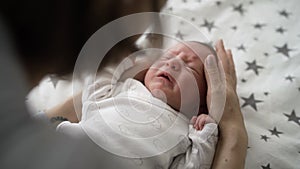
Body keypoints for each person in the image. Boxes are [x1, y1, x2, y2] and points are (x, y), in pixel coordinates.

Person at [0, 13, 248, 168]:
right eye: (170, 56)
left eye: (191, 71)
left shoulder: (188, 132)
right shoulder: (126, 89)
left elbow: (193, 166)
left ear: (203, 102)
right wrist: (131, 66)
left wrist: (207, 136)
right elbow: (94, 92)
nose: (173, 63)